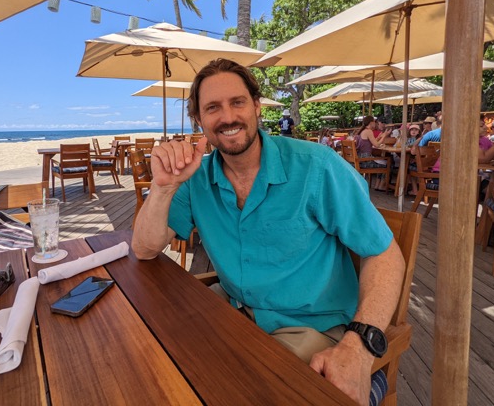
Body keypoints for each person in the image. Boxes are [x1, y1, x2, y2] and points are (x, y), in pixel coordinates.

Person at [132, 59, 405, 406]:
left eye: (237, 102)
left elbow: (383, 253)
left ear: (256, 106)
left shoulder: (316, 166)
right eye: (212, 108)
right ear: (199, 121)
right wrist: (163, 188)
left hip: (313, 329)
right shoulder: (195, 176)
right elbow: (144, 248)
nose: (228, 117)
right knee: (154, 369)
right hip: (234, 317)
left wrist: (360, 345)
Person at [355, 115, 391, 191]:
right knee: (387, 163)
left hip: (360, 158)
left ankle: (378, 185)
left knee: (382, 161)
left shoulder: (362, 131)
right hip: (366, 160)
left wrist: (379, 137)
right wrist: (384, 136)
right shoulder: (369, 131)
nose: (375, 124)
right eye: (374, 122)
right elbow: (377, 145)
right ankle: (381, 185)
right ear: (371, 123)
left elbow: (371, 142)